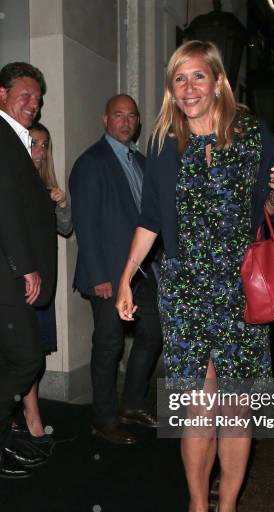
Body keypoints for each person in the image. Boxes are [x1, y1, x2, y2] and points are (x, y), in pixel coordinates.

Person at [115, 41, 274, 512]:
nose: (189, 89)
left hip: (243, 288)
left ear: (218, 81)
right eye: (179, 80)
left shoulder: (255, 134)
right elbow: (150, 218)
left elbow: (269, 211)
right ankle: (197, 509)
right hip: (186, 289)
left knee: (236, 412)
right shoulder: (165, 144)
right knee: (198, 410)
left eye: (198, 77)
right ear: (172, 89)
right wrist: (127, 275)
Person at [70, 94, 163, 445]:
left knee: (153, 332)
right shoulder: (90, 162)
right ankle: (103, 418)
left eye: (132, 116)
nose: (126, 122)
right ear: (105, 119)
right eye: (119, 115)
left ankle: (133, 404)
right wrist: (99, 277)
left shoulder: (140, 161)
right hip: (107, 273)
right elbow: (85, 225)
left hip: (143, 272)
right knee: (108, 345)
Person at [0, 62, 57, 478]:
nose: (34, 104)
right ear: (1, 94)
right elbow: (5, 208)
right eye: (25, 94)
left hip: (11, 273)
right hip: (8, 276)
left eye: (37, 98)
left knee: (14, 361)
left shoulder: (17, 141)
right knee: (27, 360)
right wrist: (25, 268)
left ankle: (5, 439)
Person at [12, 123, 72, 445]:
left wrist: (61, 205)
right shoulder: (13, 183)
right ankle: (29, 419)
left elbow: (65, 229)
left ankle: (28, 417)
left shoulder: (44, 186)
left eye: (45, 145)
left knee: (34, 353)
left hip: (41, 283)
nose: (40, 151)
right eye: (34, 143)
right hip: (16, 283)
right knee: (25, 354)